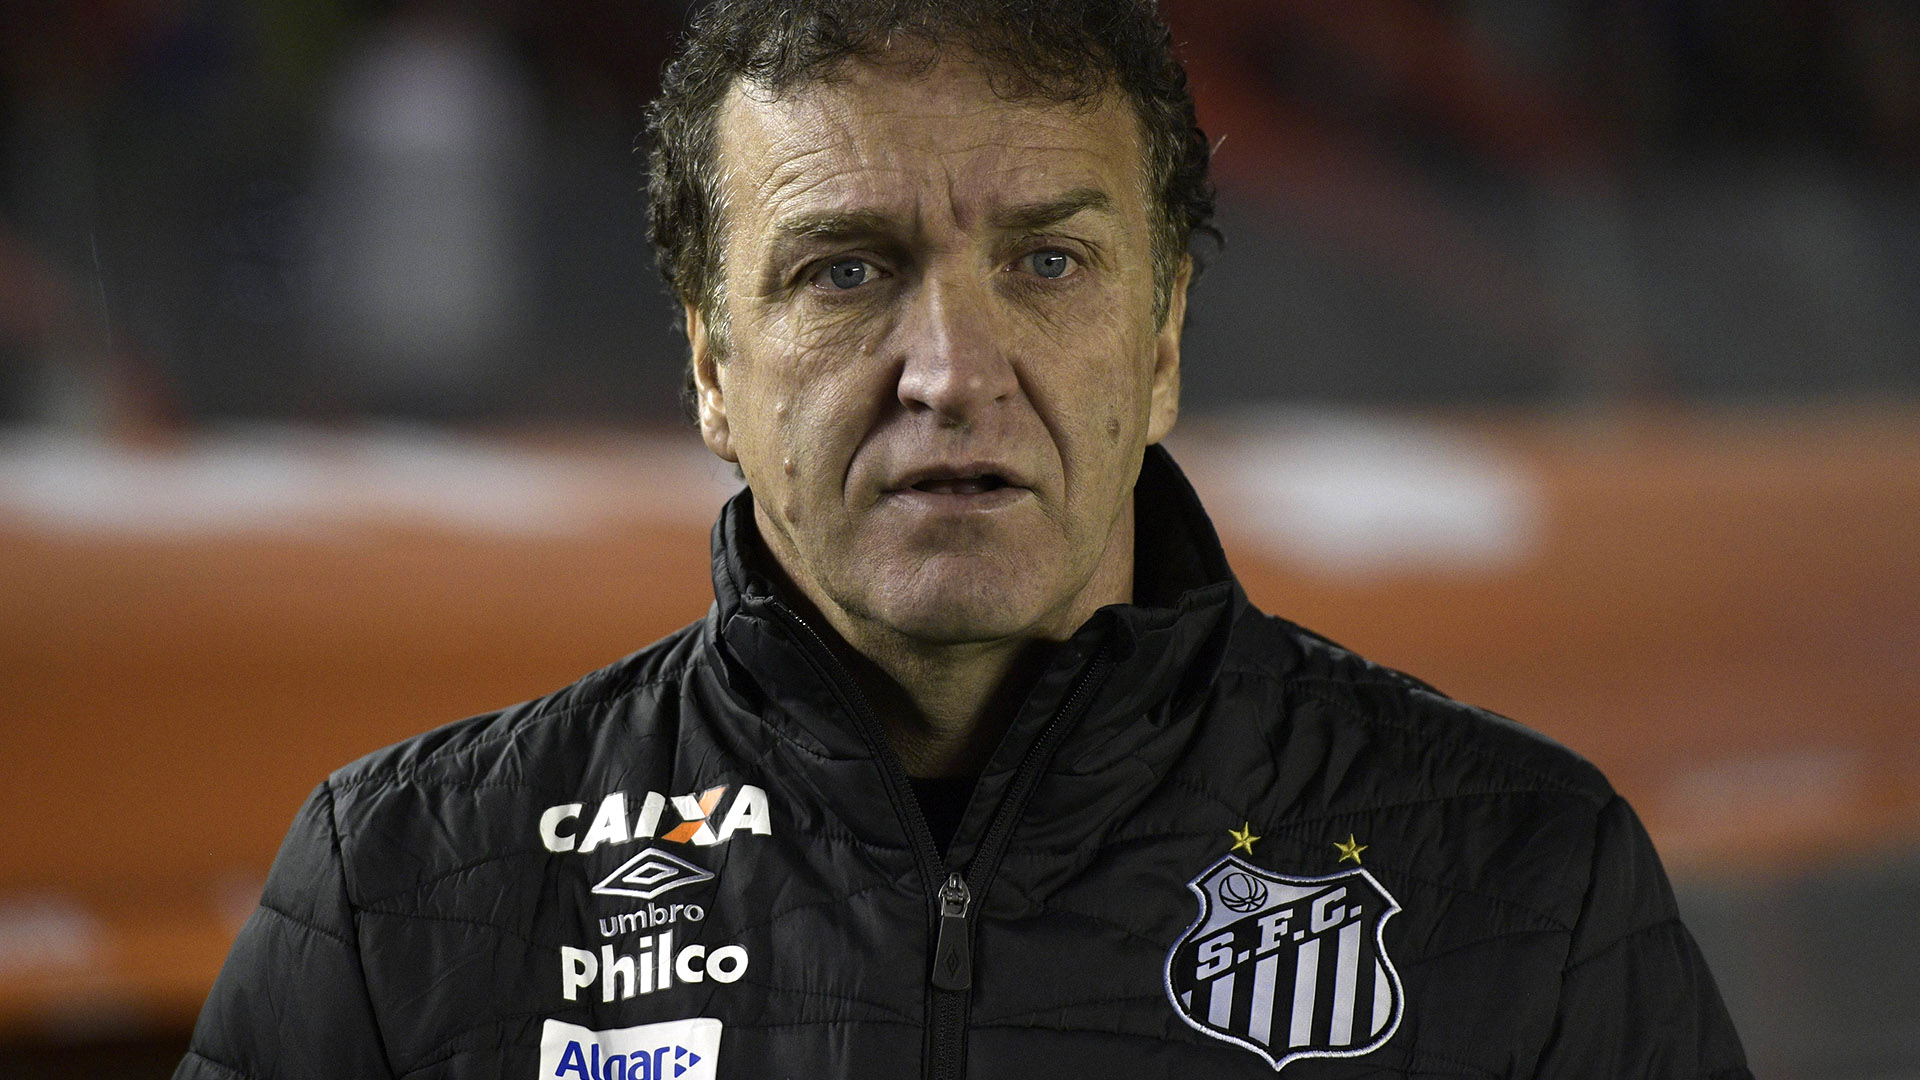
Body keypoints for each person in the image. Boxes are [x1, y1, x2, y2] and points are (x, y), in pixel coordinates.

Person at [175, 2, 1751, 1077]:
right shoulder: (401, 898)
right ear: (712, 364)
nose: (951, 368)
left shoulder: (1528, 886)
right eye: (846, 271)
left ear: (1163, 342)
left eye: (1050, 263)